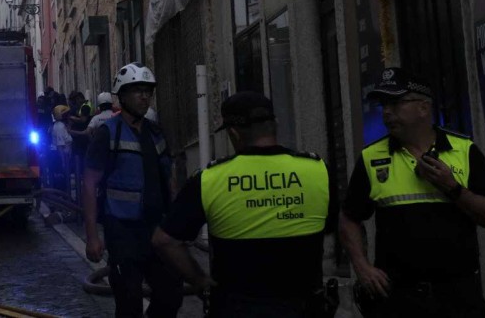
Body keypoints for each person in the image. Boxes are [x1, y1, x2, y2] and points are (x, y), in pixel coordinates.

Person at [338, 68, 485, 318]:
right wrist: (362, 268)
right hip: (398, 300)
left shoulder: (464, 150)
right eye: (383, 104)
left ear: (423, 108)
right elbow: (348, 217)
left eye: (395, 103)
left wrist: (453, 188)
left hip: (458, 297)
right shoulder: (372, 158)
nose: (386, 112)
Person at [153, 92, 337, 317]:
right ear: (274, 125)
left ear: (234, 133)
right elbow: (331, 227)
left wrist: (199, 280)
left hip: (237, 308)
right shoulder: (317, 170)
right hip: (305, 308)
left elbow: (164, 241)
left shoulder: (210, 179)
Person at [83, 63, 182, 318]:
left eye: (147, 91)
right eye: (137, 91)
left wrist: (176, 225)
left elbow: (169, 179)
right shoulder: (107, 134)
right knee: (129, 301)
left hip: (158, 230)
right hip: (123, 232)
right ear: (122, 96)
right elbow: (90, 183)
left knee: (171, 295)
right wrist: (92, 236)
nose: (144, 97)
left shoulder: (156, 133)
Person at [49, 105, 73, 191]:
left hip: (62, 157)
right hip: (59, 157)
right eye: (67, 115)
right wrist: (63, 163)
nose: (69, 117)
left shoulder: (62, 125)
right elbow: (60, 146)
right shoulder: (59, 127)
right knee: (61, 182)